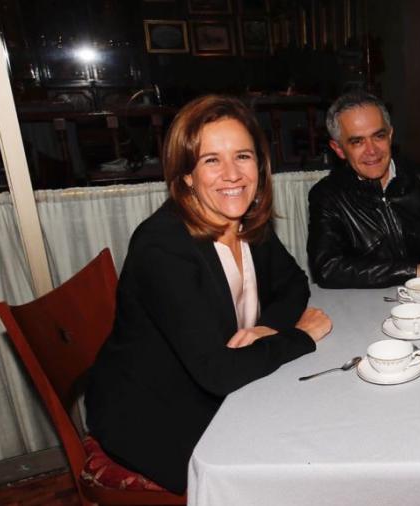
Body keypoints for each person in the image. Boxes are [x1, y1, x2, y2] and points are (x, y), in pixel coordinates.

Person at [84, 95, 332, 493]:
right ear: (186, 175)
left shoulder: (245, 219)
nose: (232, 174)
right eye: (211, 160)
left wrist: (266, 329)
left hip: (213, 383)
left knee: (318, 425)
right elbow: (218, 372)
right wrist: (301, 336)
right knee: (283, 472)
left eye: (243, 156)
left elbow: (293, 283)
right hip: (151, 411)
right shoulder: (162, 247)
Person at [307, 91, 420, 289]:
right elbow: (327, 268)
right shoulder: (327, 195)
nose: (372, 150)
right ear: (338, 149)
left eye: (378, 136)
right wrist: (414, 271)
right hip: (366, 306)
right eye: (357, 141)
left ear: (390, 135)